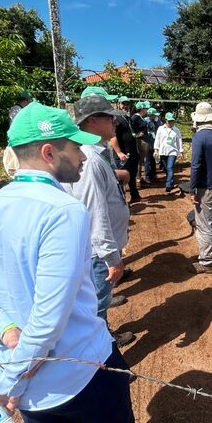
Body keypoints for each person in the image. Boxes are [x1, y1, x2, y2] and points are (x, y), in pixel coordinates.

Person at [0, 101, 138, 423]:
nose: (83, 157)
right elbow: (49, 316)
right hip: (83, 368)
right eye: (75, 148)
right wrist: (6, 383)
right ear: (48, 152)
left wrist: (7, 334)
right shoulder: (64, 212)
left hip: (28, 387)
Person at [64, 95, 134, 346]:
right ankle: (101, 346)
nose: (115, 121)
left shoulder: (96, 153)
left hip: (100, 249)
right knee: (96, 302)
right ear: (92, 121)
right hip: (98, 252)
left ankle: (101, 336)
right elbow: (93, 212)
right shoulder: (90, 160)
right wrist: (112, 258)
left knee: (99, 297)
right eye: (109, 117)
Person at [189, 102, 212, 274]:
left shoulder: (199, 137)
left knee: (204, 224)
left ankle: (207, 261)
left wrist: (192, 188)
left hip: (204, 186)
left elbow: (196, 165)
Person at [110, 96, 142, 202]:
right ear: (118, 104)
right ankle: (121, 199)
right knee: (122, 177)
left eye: (127, 104)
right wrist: (119, 152)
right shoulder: (115, 119)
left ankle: (134, 195)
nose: (125, 106)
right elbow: (112, 136)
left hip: (132, 152)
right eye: (123, 104)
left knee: (132, 174)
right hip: (123, 154)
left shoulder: (127, 118)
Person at [154, 112, 184, 193]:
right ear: (166, 121)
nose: (171, 123)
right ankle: (170, 180)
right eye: (169, 121)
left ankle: (168, 185)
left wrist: (181, 151)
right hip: (163, 151)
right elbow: (157, 139)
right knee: (166, 168)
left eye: (172, 121)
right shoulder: (160, 129)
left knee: (170, 167)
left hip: (173, 151)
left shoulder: (176, 130)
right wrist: (156, 149)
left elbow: (179, 140)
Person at [130, 102, 149, 187]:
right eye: (145, 109)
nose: (146, 110)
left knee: (141, 161)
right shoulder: (135, 117)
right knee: (139, 161)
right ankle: (138, 179)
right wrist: (136, 135)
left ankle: (139, 178)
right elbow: (130, 128)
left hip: (143, 141)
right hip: (139, 141)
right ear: (142, 109)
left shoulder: (140, 117)